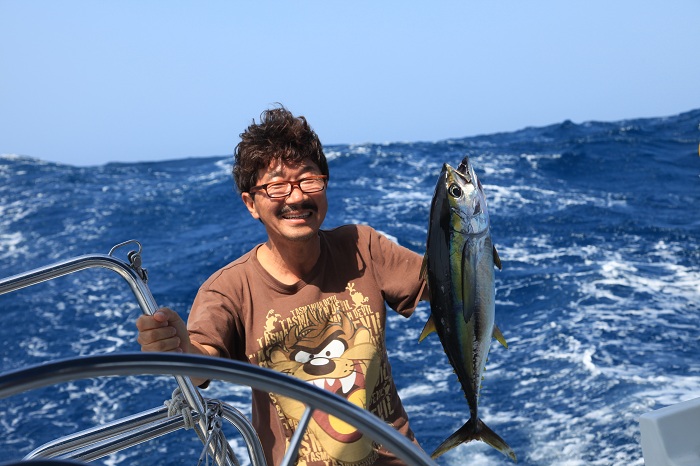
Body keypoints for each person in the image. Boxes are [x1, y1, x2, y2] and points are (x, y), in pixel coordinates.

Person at [136, 106, 427, 466]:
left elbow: (446, 285)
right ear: (251, 204)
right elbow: (201, 367)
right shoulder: (229, 288)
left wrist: (468, 235)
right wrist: (179, 349)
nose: (296, 197)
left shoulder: (362, 246)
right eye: (276, 186)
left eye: (309, 179)